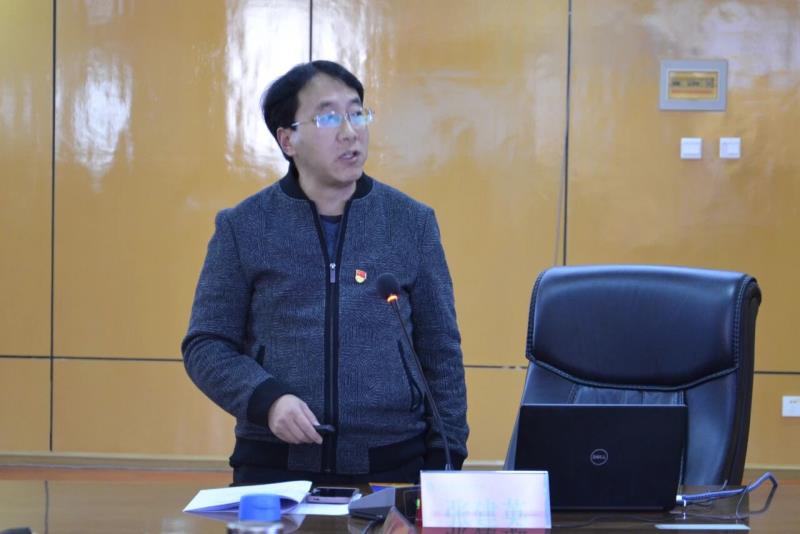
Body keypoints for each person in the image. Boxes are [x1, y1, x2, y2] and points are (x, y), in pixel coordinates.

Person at [182, 60, 468, 485]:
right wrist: (267, 400)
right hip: (273, 468)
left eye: (357, 113)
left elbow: (440, 348)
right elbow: (206, 344)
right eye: (329, 117)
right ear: (288, 139)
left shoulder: (411, 223)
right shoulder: (243, 227)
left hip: (392, 465)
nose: (350, 132)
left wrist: (448, 456)